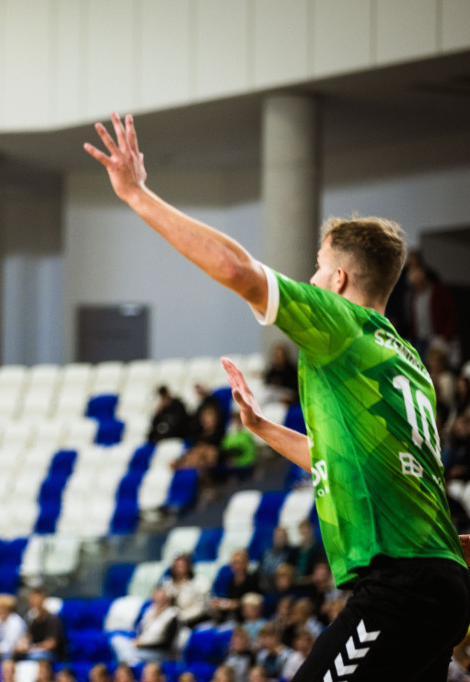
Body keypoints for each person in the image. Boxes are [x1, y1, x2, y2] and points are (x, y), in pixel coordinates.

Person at [86, 112, 470, 679]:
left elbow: (237, 268)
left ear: (338, 280)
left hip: (401, 585)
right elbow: (341, 462)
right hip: (443, 581)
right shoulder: (405, 361)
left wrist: (138, 195)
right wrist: (264, 429)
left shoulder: (342, 326)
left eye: (318, 269)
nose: (311, 280)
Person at [15, 587, 66, 661]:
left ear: (43, 600)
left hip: (51, 654)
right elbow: (28, 637)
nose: (34, 602)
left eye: (37, 600)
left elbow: (51, 644)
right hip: (35, 651)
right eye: (32, 600)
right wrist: (22, 645)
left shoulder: (53, 619)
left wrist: (32, 648)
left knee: (36, 656)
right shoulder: (33, 619)